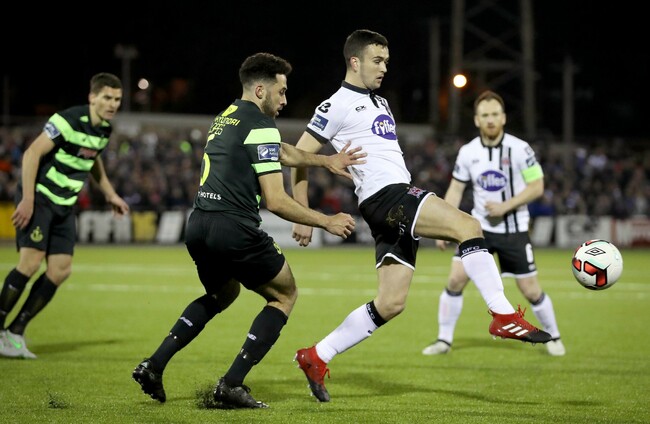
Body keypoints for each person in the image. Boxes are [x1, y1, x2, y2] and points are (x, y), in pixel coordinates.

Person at [290, 29, 552, 403]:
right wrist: (303, 214)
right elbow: (298, 157)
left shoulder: (381, 102)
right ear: (355, 62)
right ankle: (503, 314)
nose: (384, 68)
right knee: (469, 225)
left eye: (387, 61)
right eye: (377, 61)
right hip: (388, 198)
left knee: (391, 303)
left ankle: (317, 355)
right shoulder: (336, 105)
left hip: (387, 201)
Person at [131, 52, 366, 409]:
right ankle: (231, 384)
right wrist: (324, 220)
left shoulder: (226, 118)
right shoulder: (261, 124)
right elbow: (276, 200)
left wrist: (325, 160)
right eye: (281, 91)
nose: (284, 100)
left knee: (222, 294)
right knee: (285, 295)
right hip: (234, 228)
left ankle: (154, 364)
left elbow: (281, 152)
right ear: (260, 90)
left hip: (199, 225)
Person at [422, 90, 565, 357]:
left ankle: (554, 337)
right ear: (477, 120)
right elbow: (455, 189)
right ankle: (444, 340)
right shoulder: (468, 152)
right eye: (485, 115)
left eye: (495, 114)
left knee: (531, 290)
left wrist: (505, 206)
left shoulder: (520, 149)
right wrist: (444, 226)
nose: (490, 120)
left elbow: (537, 186)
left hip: (514, 230)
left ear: (504, 118)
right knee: (455, 280)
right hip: (477, 231)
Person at [0, 73, 129, 359]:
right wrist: (28, 199)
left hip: (65, 204)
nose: (113, 104)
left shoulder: (104, 130)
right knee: (30, 263)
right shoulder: (67, 120)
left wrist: (110, 194)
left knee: (60, 270)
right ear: (92, 97)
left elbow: (93, 160)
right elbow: (32, 154)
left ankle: (15, 332)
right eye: (107, 97)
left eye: (117, 99)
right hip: (41, 197)